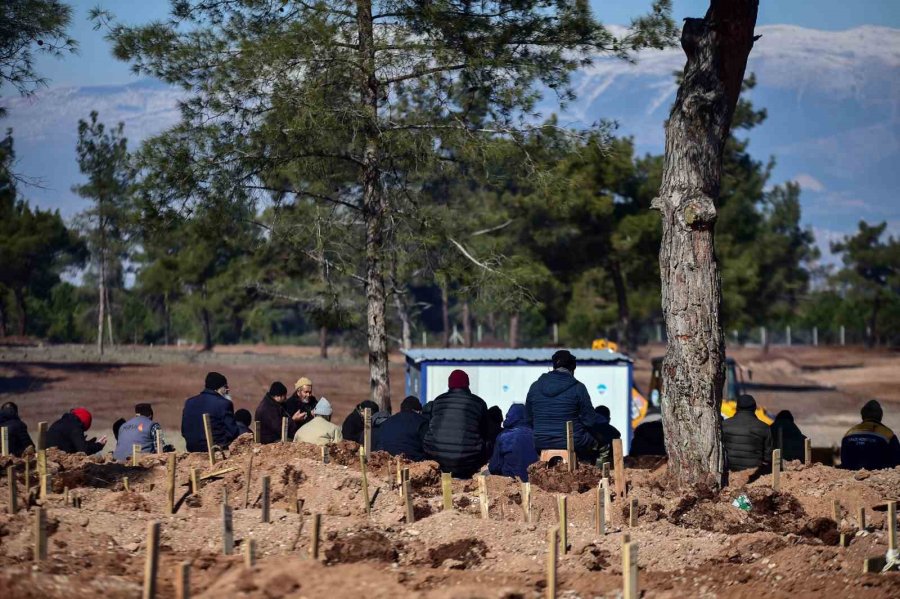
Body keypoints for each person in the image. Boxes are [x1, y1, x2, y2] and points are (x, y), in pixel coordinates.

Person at [525, 350, 599, 461]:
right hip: (573, 441)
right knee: (601, 442)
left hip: (540, 441)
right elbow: (590, 421)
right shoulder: (578, 387)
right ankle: (590, 470)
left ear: (553, 366)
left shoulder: (534, 386)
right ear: (572, 368)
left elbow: (528, 419)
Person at [422, 369, 490, 478]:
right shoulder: (478, 403)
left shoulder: (438, 400)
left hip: (437, 458)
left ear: (449, 384)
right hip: (468, 460)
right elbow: (485, 431)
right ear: (467, 384)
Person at [181, 372, 240, 453]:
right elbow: (233, 432)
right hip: (215, 450)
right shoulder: (224, 403)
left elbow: (184, 431)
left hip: (192, 449)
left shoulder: (189, 402)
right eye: (225, 387)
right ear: (218, 388)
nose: (227, 390)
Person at [841, 399, 900, 470]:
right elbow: (897, 461)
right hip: (880, 473)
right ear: (880, 416)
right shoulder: (889, 434)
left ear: (862, 415)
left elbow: (844, 461)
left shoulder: (849, 434)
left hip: (851, 472)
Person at [488, 403, 539, 481]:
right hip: (533, 481)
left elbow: (494, 467)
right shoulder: (537, 436)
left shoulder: (503, 436)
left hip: (511, 481)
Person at [722, 394, 773, 471]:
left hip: (729, 470)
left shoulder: (724, 425)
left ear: (737, 408)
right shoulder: (764, 427)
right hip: (754, 472)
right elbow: (768, 457)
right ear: (754, 408)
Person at [374, 395, 427, 461]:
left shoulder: (386, 422)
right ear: (418, 411)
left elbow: (380, 444)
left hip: (387, 461)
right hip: (412, 461)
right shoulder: (421, 421)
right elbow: (428, 446)